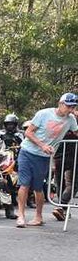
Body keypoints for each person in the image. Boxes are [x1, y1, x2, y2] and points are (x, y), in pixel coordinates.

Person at [16, 92, 78, 228]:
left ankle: (38, 217)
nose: (70, 109)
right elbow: (28, 132)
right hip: (27, 152)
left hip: (44, 157)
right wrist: (42, 145)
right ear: (61, 104)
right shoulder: (44, 114)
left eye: (73, 106)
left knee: (38, 187)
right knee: (24, 184)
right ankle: (21, 216)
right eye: (68, 106)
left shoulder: (71, 120)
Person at [52, 106, 78, 221]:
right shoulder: (69, 121)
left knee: (63, 183)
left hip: (61, 156)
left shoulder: (62, 119)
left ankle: (62, 208)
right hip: (70, 156)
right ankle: (61, 206)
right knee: (71, 184)